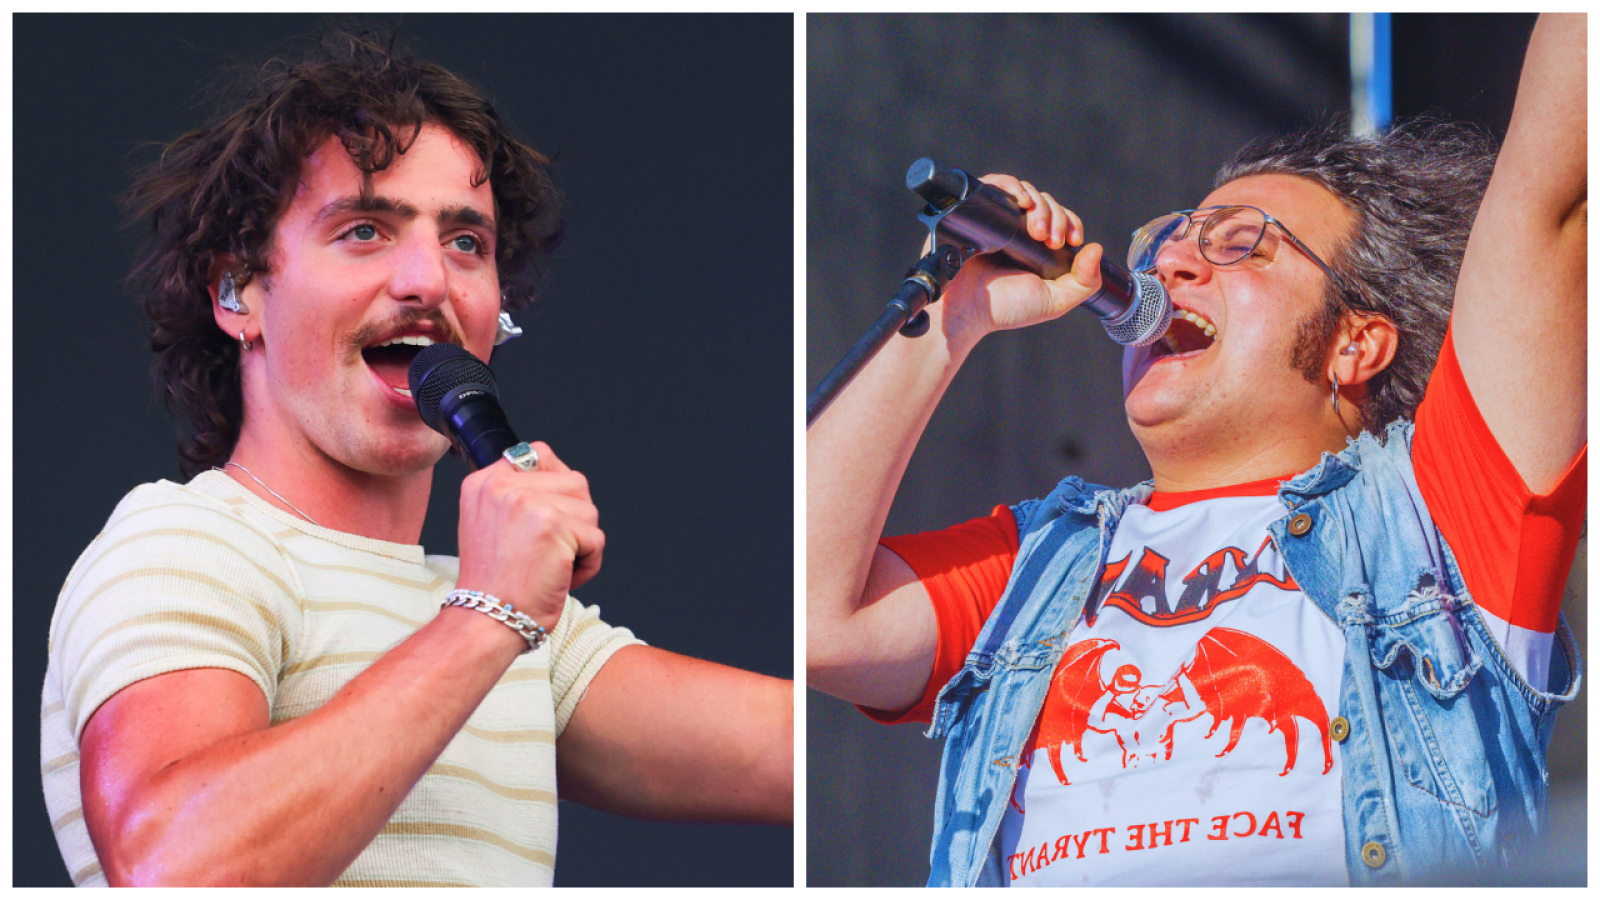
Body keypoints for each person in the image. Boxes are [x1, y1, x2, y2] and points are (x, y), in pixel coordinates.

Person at [808, 13, 1583, 887]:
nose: (1171, 262)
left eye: (1241, 244)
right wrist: (951, 313)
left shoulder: (1439, 516)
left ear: (1356, 345)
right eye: (1165, 241)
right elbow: (815, 618)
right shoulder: (1040, 561)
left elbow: (1554, 192)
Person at [41, 32, 791, 887]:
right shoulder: (185, 543)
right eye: (365, 230)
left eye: (466, 242)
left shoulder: (508, 618)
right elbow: (177, 868)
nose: (429, 281)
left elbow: (792, 752)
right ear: (236, 292)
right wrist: (487, 616)